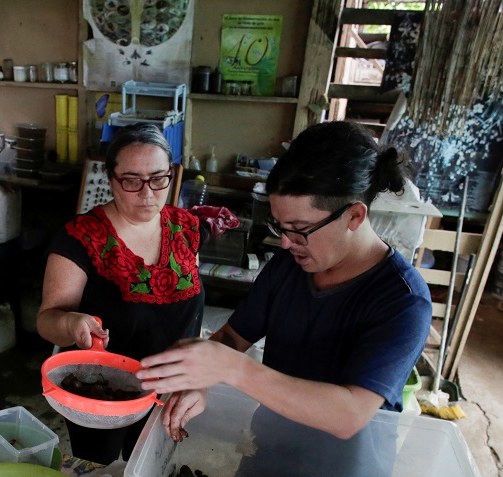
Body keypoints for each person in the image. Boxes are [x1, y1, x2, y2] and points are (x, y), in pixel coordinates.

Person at [136, 121, 432, 444]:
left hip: (346, 470)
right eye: (280, 227)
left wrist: (232, 369)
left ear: (354, 216)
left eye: (299, 229)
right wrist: (200, 378)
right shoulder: (288, 266)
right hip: (269, 445)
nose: (287, 243)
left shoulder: (403, 300)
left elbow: (349, 415)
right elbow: (233, 338)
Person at [37, 123, 204, 464]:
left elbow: (191, 308)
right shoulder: (82, 237)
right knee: (98, 470)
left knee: (150, 469)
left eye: (158, 179)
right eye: (131, 180)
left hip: (170, 390)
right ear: (111, 180)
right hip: (103, 392)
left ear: (171, 175)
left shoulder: (185, 228)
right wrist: (70, 323)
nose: (147, 193)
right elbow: (47, 319)